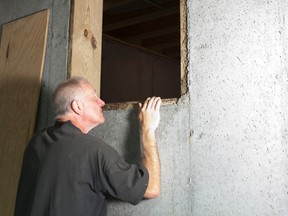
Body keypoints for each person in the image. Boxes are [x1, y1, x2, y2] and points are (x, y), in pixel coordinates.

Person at [14, 77, 161, 216]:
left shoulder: (35, 143)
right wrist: (147, 129)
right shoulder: (94, 151)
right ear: (77, 106)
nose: (102, 102)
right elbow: (151, 188)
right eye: (94, 97)